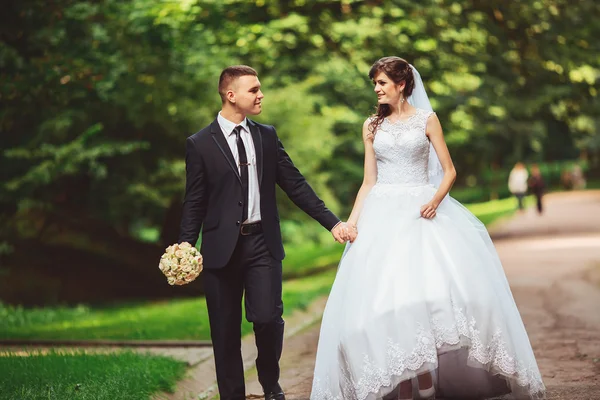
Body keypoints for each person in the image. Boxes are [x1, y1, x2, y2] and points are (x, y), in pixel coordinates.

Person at [310, 57, 545, 400]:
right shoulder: (371, 126)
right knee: (385, 300)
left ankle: (425, 383)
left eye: (382, 83)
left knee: (426, 295)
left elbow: (449, 170)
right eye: (374, 83)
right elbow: (368, 181)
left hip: (421, 212)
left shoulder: (427, 120)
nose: (376, 89)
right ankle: (407, 383)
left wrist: (435, 201)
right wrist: (353, 222)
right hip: (382, 215)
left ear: (401, 85)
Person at [178, 65, 349, 400]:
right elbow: (194, 200)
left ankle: (270, 382)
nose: (261, 95)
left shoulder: (266, 136)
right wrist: (185, 243)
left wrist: (333, 222)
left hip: (262, 244)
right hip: (220, 250)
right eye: (253, 90)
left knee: (269, 319)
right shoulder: (199, 144)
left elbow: (295, 185)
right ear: (231, 95)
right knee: (224, 331)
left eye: (260, 89)